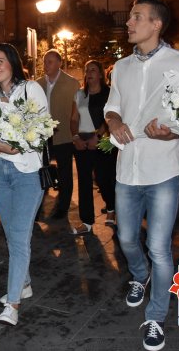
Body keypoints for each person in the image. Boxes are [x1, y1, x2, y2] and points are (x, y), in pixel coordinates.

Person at [104, 0, 179, 351]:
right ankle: (139, 276)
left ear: (156, 24)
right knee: (128, 239)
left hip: (163, 169)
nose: (129, 23)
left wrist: (173, 132)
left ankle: (156, 316)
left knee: (159, 247)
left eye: (136, 17)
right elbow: (112, 105)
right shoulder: (121, 66)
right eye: (130, 17)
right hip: (127, 166)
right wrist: (113, 120)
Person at [0, 43, 48, 326]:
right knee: (12, 235)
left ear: (12, 62)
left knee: (19, 237)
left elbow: (43, 129)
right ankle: (24, 283)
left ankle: (13, 303)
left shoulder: (30, 89)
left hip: (27, 174)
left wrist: (16, 148)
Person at [70, 60, 117, 234]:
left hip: (103, 139)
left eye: (93, 70)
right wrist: (75, 137)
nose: (89, 73)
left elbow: (111, 118)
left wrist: (97, 137)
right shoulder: (79, 94)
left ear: (100, 74)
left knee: (104, 178)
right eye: (86, 70)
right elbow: (74, 119)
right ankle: (87, 222)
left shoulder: (110, 94)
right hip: (82, 140)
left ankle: (111, 208)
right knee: (84, 181)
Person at [36, 49, 80, 220]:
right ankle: (38, 206)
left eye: (50, 61)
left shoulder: (72, 83)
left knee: (65, 173)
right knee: (41, 171)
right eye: (45, 61)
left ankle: (63, 207)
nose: (46, 65)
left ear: (59, 63)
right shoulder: (38, 84)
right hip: (42, 136)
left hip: (64, 135)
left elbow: (77, 112)